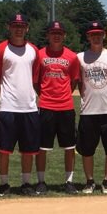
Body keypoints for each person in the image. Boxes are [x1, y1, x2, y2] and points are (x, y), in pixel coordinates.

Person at [0, 13, 42, 195]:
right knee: (4, 150)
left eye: (22, 26)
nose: (18, 29)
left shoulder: (33, 50)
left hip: (29, 107)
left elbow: (35, 77)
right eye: (15, 26)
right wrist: (5, 95)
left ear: (27, 28)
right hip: (7, 107)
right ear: (9, 27)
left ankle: (26, 183)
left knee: (28, 150)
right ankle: (4, 184)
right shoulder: (0, 50)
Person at [35, 20, 82, 193]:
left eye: (60, 33)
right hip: (46, 106)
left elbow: (74, 80)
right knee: (42, 147)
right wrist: (45, 95)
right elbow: (36, 81)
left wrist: (63, 95)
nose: (56, 36)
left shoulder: (72, 56)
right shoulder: (39, 55)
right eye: (53, 33)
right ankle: (41, 181)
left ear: (64, 36)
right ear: (48, 35)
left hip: (66, 107)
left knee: (69, 147)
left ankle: (69, 181)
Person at [77, 21, 107, 194]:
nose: (96, 37)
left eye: (99, 34)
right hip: (89, 110)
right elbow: (79, 83)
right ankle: (89, 181)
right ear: (88, 36)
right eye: (92, 34)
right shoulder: (80, 57)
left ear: (104, 35)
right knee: (87, 150)